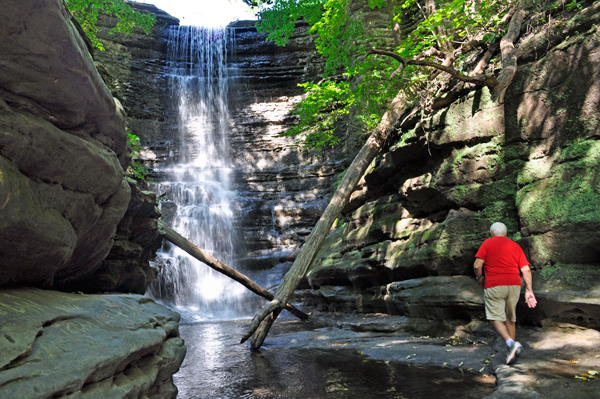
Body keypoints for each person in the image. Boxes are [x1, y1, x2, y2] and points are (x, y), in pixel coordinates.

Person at [473, 222, 537, 365]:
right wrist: (529, 290)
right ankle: (511, 352)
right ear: (506, 234)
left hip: (495, 283)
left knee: (494, 317)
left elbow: (477, 265)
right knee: (510, 317)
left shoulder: (488, 243)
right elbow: (526, 269)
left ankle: (510, 343)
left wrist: (480, 277)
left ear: (492, 233)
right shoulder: (515, 246)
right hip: (514, 284)